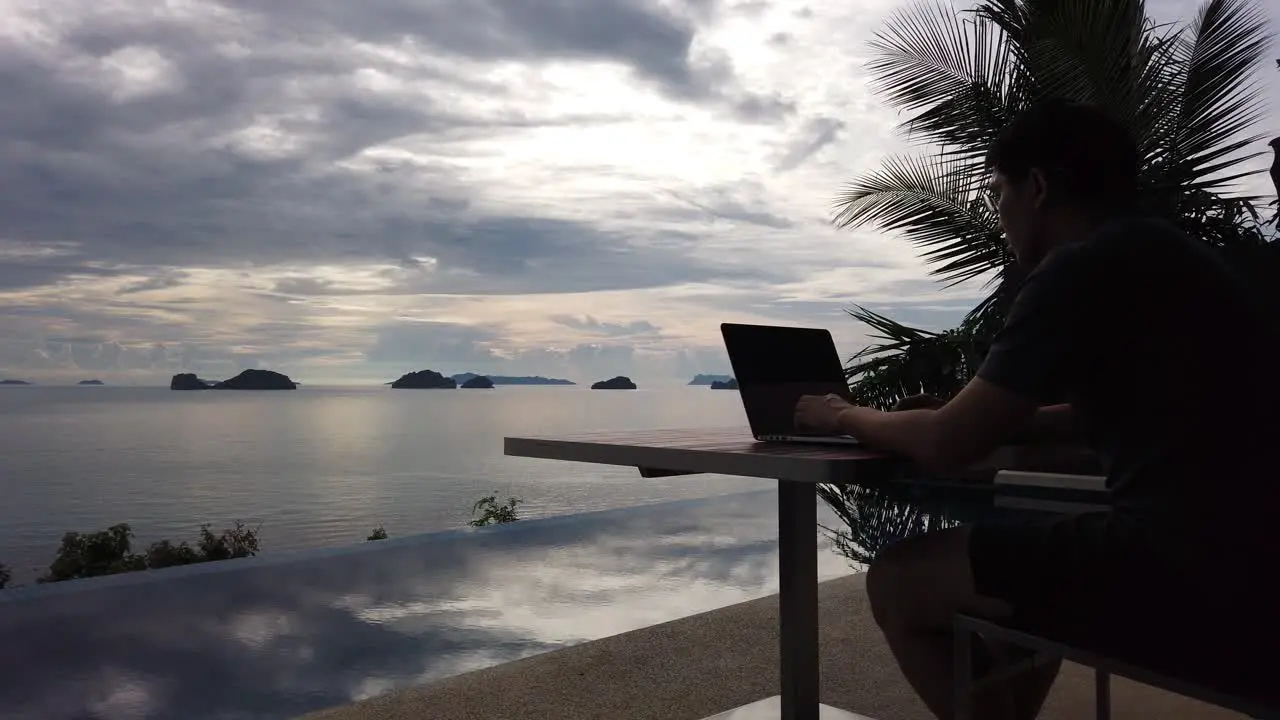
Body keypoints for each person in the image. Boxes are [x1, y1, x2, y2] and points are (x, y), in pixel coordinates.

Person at [794, 99, 1280, 719]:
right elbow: (1114, 412)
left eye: (999, 196)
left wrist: (841, 416)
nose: (999, 217)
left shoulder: (1076, 271)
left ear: (1040, 187)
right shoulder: (1169, 257)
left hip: (1193, 580)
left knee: (897, 582)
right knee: (1010, 574)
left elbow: (946, 445)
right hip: (1255, 561)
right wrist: (993, 415)